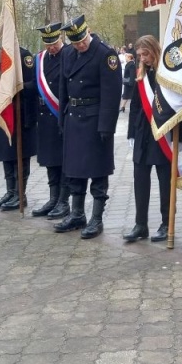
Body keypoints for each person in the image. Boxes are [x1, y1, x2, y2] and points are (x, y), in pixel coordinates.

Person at [53, 15, 121, 239]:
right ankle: (77, 213)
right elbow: (64, 87)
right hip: (74, 117)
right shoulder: (69, 54)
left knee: (98, 171)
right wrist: (63, 118)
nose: (80, 45)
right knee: (74, 170)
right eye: (75, 42)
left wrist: (106, 127)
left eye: (82, 40)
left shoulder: (105, 54)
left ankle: (96, 218)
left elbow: (111, 94)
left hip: (95, 120)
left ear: (88, 32)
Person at [123, 35, 182, 243]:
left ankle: (167, 223)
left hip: (163, 133)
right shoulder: (141, 73)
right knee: (140, 180)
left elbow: (178, 107)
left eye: (145, 54)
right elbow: (135, 106)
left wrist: (179, 138)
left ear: (154, 51)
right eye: (139, 55)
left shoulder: (167, 73)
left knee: (165, 181)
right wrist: (131, 133)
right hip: (142, 133)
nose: (143, 58)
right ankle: (141, 224)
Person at [0, 29, 39, 212]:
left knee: (20, 156)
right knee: (6, 154)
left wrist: (15, 86)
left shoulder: (24, 56)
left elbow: (34, 84)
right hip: (4, 111)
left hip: (21, 114)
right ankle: (10, 191)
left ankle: (20, 193)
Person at [30, 22, 73, 219]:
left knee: (63, 161)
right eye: (47, 43)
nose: (51, 47)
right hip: (44, 116)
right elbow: (34, 85)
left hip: (62, 115)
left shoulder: (70, 54)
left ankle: (64, 201)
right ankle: (53, 198)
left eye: (54, 42)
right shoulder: (40, 59)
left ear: (60, 38)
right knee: (49, 161)